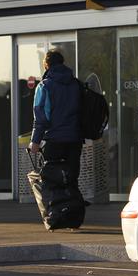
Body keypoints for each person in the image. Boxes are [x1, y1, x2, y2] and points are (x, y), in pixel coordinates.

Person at [29, 49, 83, 195]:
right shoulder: (76, 84)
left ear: (46, 64)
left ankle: (56, 214)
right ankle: (73, 212)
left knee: (52, 180)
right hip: (74, 140)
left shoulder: (44, 86)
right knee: (71, 179)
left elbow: (41, 118)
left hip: (54, 140)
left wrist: (35, 141)